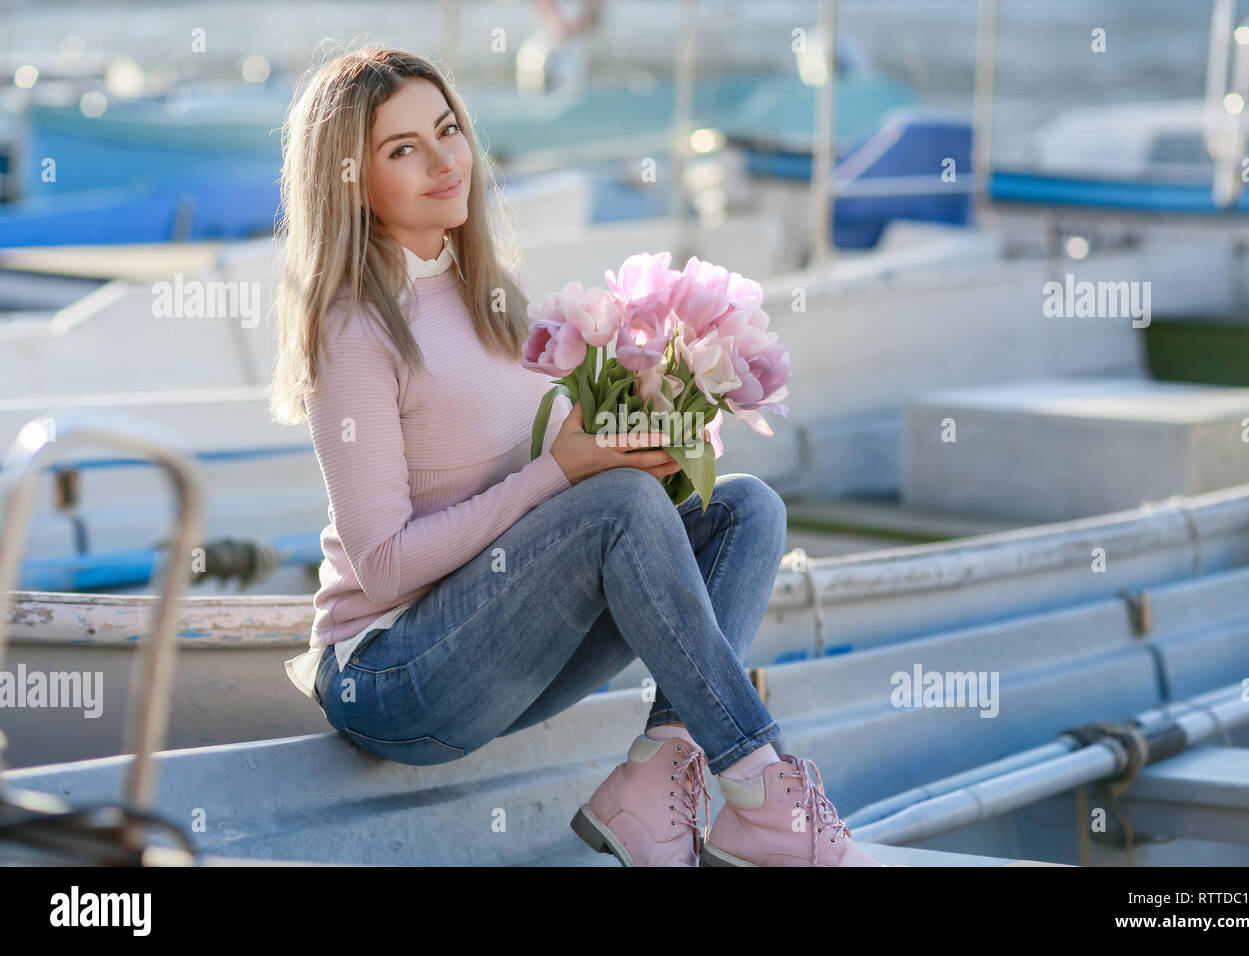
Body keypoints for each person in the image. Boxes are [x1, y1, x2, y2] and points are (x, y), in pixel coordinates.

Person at [265, 45, 881, 868]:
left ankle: (656, 778)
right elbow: (382, 565)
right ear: (348, 180)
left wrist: (646, 432)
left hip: (498, 646)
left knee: (743, 512)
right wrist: (565, 474)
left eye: (449, 129)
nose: (446, 160)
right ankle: (761, 788)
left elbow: (546, 495)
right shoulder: (353, 328)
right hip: (391, 674)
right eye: (402, 148)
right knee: (616, 506)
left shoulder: (487, 293)